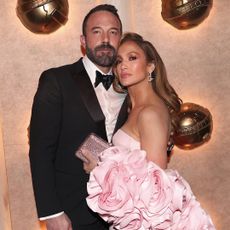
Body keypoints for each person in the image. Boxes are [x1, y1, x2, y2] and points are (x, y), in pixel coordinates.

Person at [84, 33, 216, 229]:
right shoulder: (134, 108)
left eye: (132, 57)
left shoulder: (149, 113)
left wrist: (100, 170)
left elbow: (155, 188)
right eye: (118, 61)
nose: (123, 66)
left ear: (150, 66)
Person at [29, 4, 127, 230]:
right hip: (72, 214)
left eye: (113, 32)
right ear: (83, 41)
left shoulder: (130, 84)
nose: (105, 39)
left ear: (120, 39)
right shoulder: (56, 80)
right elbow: (40, 150)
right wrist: (51, 212)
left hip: (122, 214)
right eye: (97, 31)